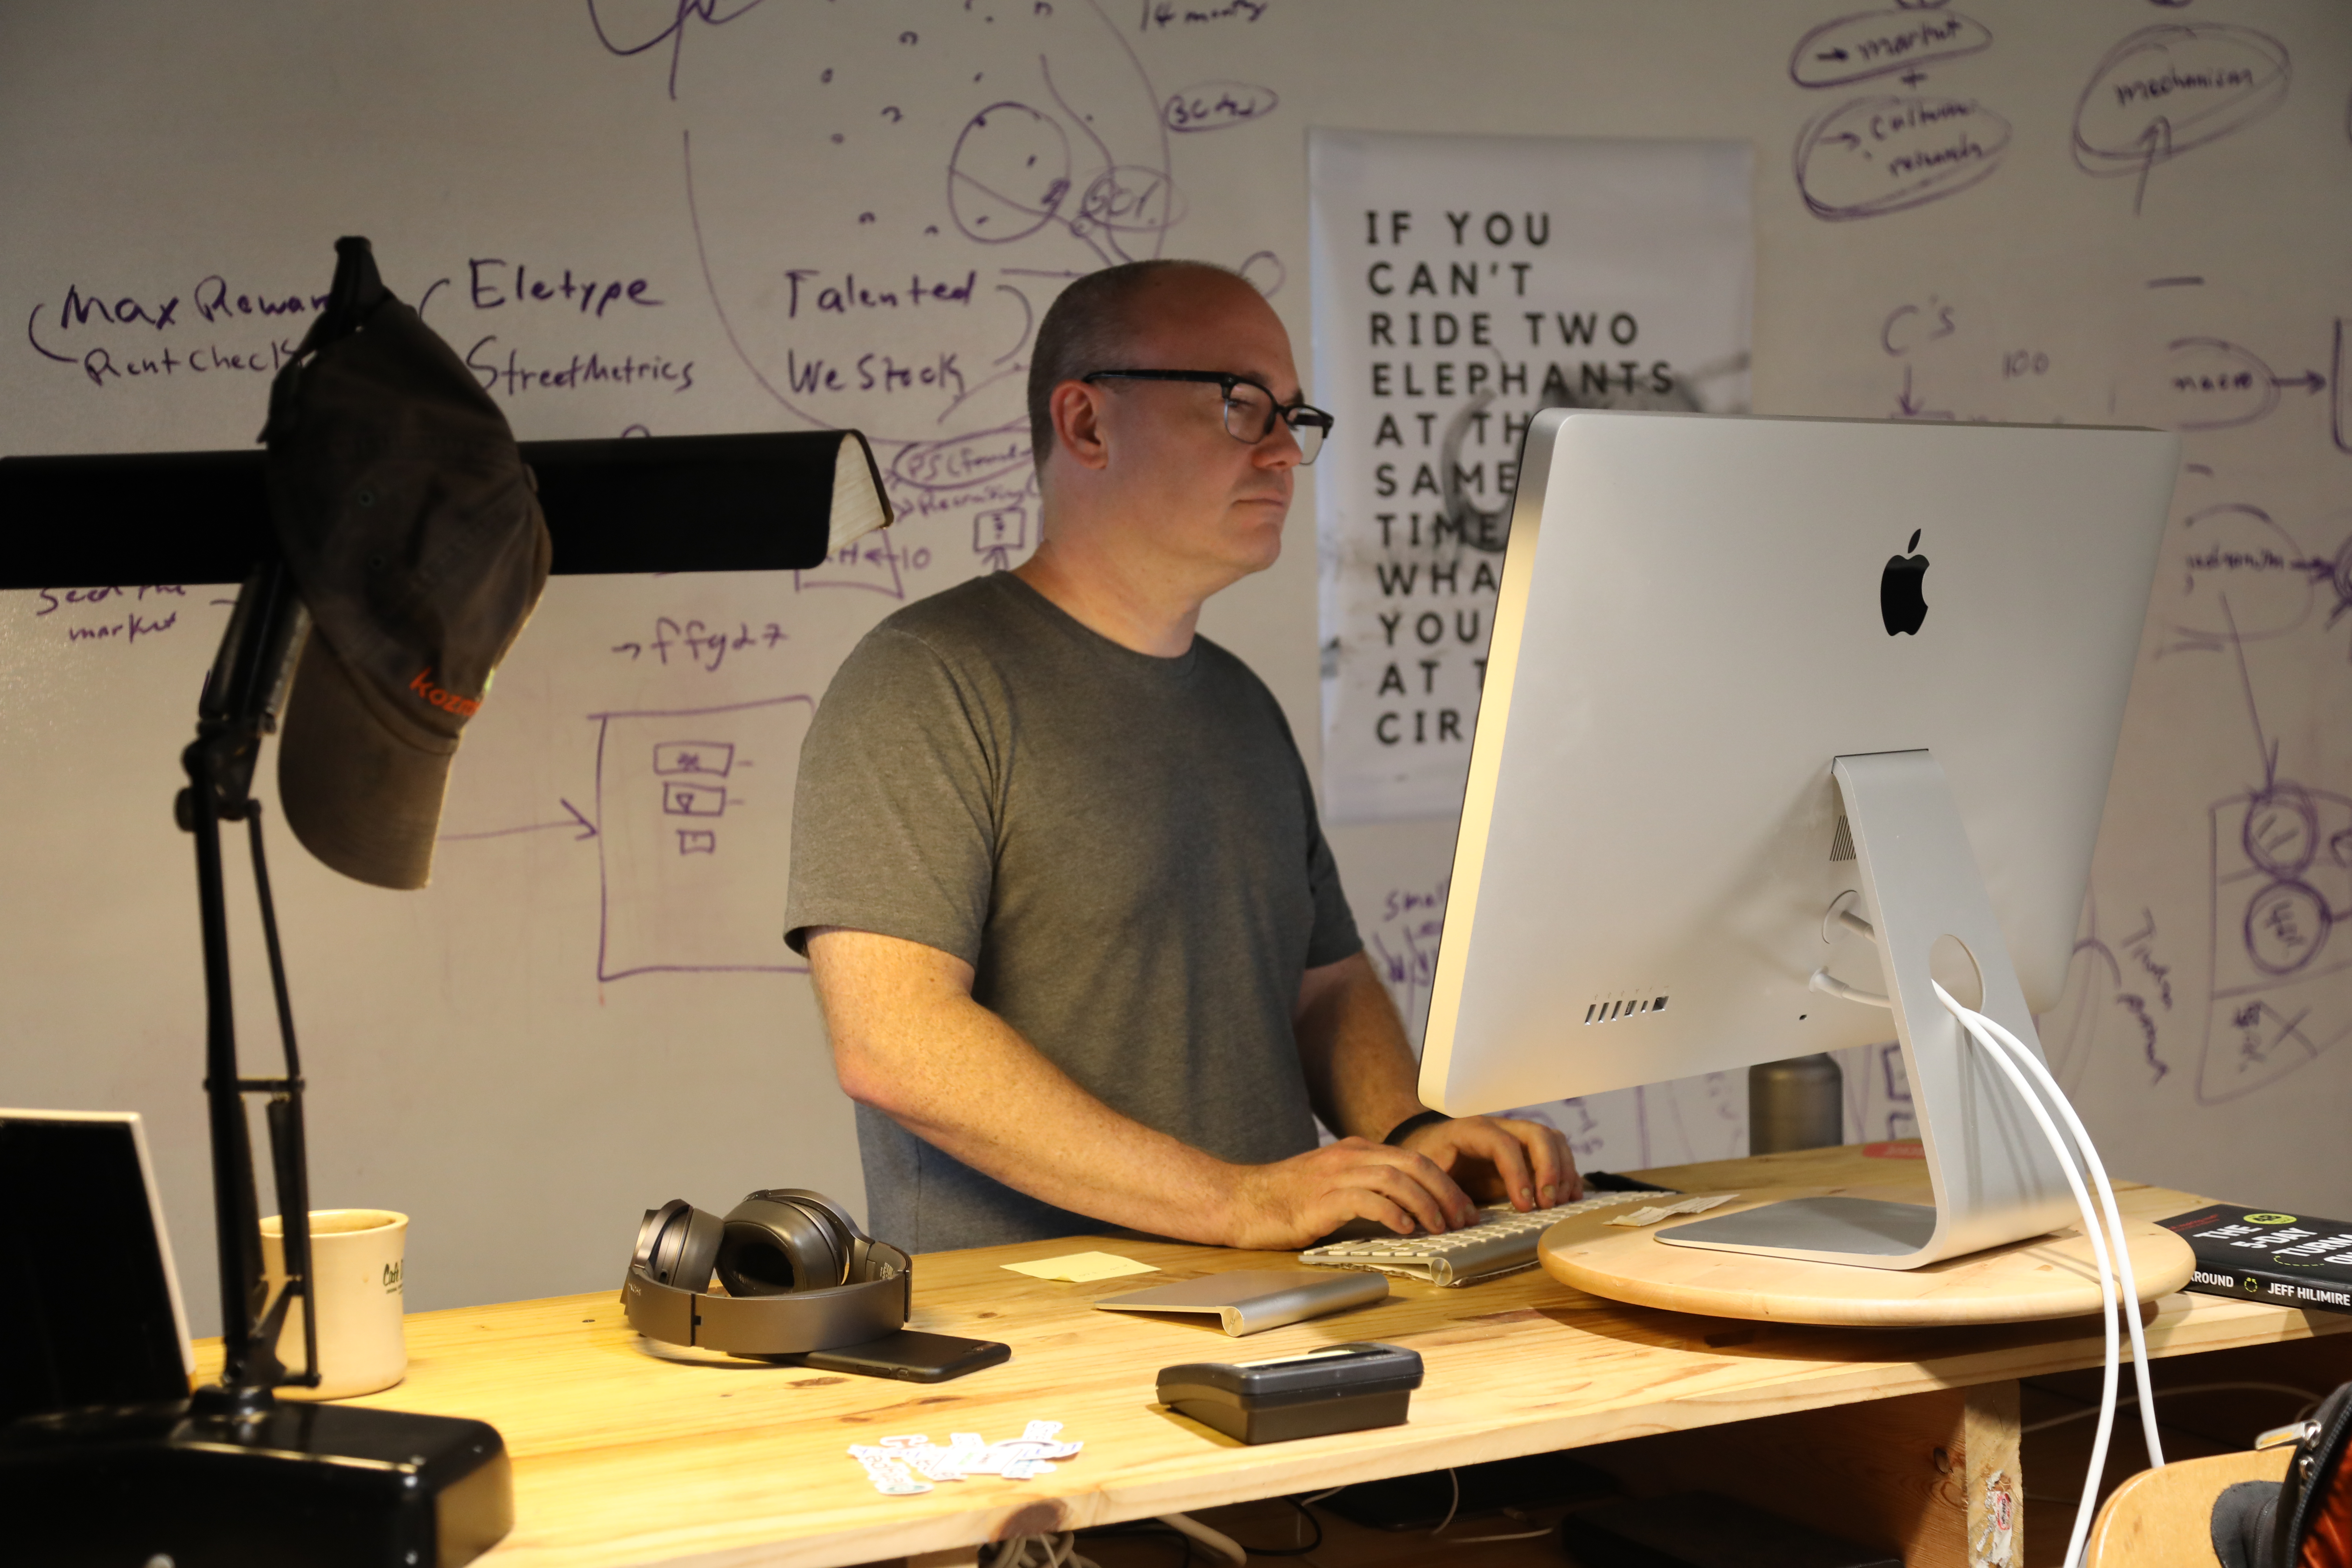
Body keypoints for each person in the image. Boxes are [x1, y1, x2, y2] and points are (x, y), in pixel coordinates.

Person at [784, 259, 1577, 1253]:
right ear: (1087, 425)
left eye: (1297, 416)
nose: (1287, 453)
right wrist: (1235, 1202)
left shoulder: (1242, 705)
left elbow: (1322, 985)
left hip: (1279, 1310)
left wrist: (1413, 1134)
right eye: (1244, 406)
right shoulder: (922, 683)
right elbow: (892, 1040)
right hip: (1036, 1343)